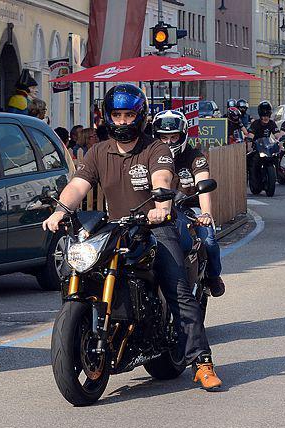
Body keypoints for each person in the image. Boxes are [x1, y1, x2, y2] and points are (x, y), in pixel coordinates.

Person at [42, 84, 221, 390]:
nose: (123, 121)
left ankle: (201, 361)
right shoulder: (99, 151)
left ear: (140, 116)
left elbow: (162, 178)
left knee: (177, 288)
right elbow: (78, 185)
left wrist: (162, 207)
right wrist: (60, 210)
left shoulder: (156, 149)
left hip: (155, 226)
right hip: (116, 228)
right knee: (82, 269)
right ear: (108, 116)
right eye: (117, 115)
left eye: (128, 115)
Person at [153, 109, 226, 298]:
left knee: (208, 239)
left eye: (174, 137)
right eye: (163, 137)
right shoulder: (150, 157)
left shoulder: (195, 157)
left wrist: (206, 214)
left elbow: (204, 184)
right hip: (158, 209)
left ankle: (213, 276)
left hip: (189, 209)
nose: (169, 142)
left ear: (183, 135)